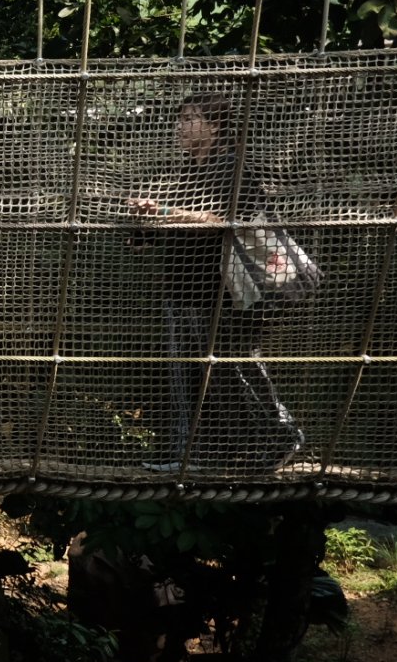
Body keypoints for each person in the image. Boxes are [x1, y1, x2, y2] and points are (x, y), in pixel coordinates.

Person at [128, 91, 304, 473]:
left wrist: (164, 210)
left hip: (221, 294)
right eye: (181, 118)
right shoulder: (186, 171)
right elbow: (172, 226)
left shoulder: (231, 167)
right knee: (185, 378)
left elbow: (219, 220)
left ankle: (282, 433)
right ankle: (190, 456)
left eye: (189, 118)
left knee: (234, 368)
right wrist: (145, 225)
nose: (181, 126)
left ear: (213, 125)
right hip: (180, 290)